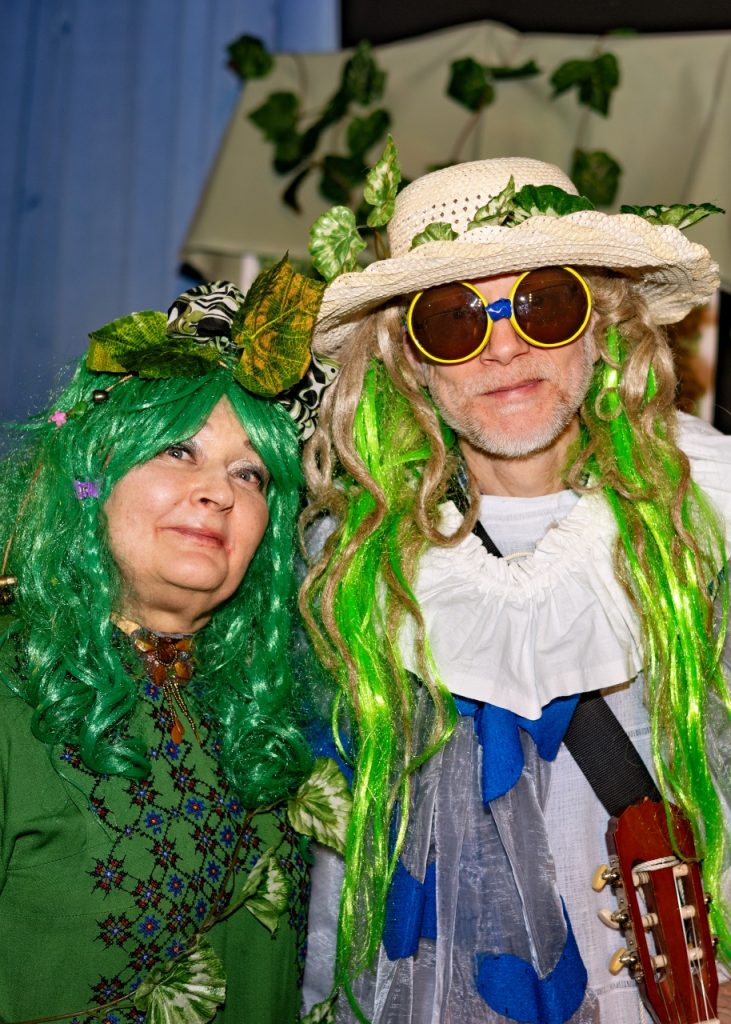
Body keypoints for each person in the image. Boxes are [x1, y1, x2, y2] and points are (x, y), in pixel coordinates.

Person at [300, 157, 731, 1023]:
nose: (503, 347)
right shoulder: (347, 569)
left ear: (601, 327)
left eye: (544, 304)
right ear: (409, 361)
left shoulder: (709, 519)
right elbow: (338, 877)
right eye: (452, 319)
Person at [0, 268, 336, 1023]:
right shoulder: (8, 695)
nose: (218, 492)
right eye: (178, 452)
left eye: (250, 473)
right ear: (92, 478)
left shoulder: (277, 710)